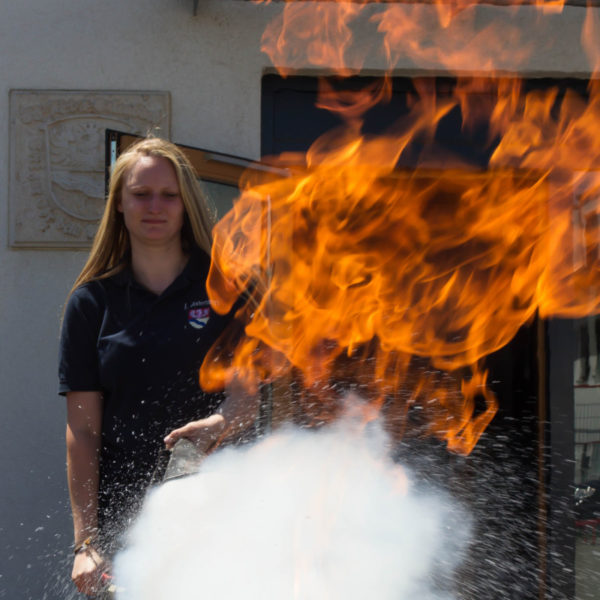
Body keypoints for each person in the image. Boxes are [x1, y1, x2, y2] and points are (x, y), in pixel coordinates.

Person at [59, 137, 256, 597]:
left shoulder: (226, 292)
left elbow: (247, 399)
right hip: (123, 521)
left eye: (169, 195)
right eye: (140, 194)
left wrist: (220, 422)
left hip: (220, 509)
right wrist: (85, 542)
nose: (155, 206)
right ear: (119, 205)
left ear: (186, 204)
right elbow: (83, 433)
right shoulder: (91, 304)